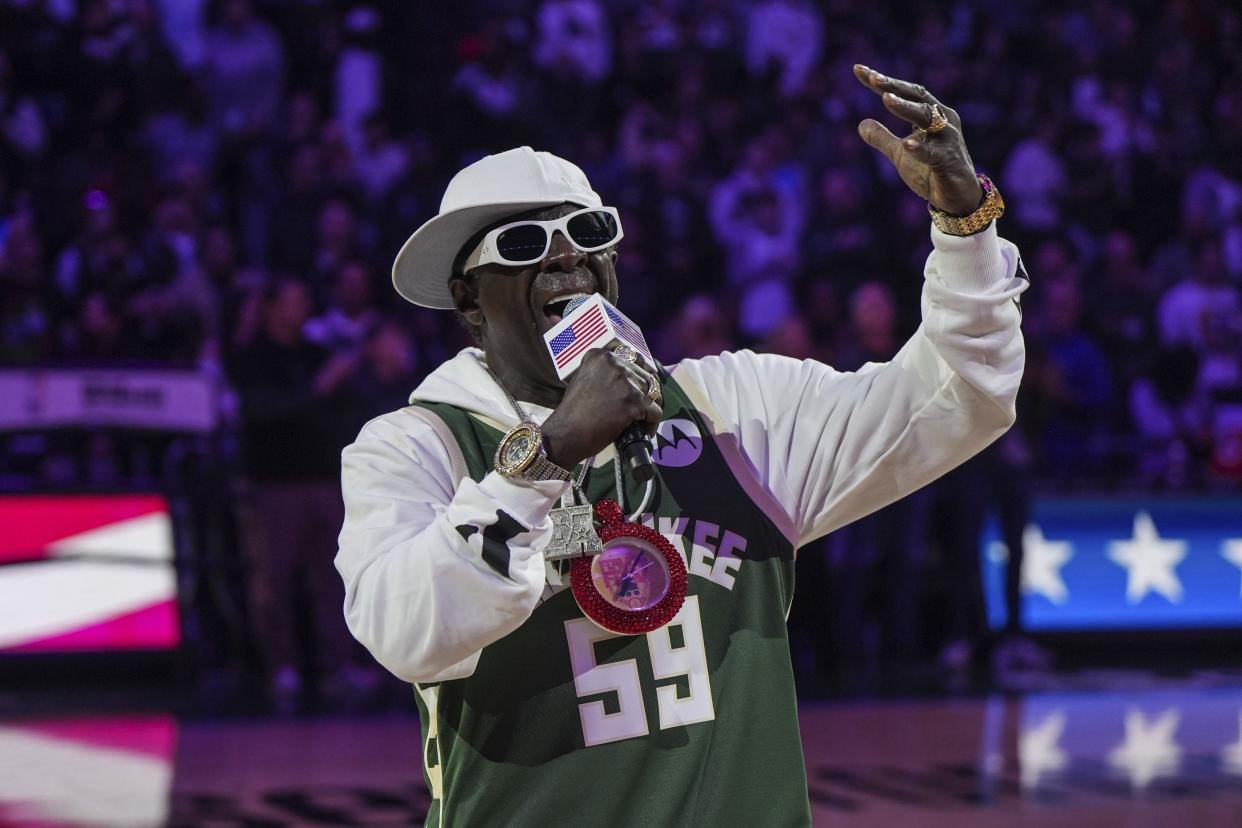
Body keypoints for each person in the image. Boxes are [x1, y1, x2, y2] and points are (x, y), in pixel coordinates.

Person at [336, 65, 1028, 826]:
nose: (567, 257)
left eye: (590, 232)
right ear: (469, 298)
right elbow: (406, 633)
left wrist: (966, 226)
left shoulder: (730, 405)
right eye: (526, 241)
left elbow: (960, 397)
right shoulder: (416, 445)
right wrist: (552, 451)